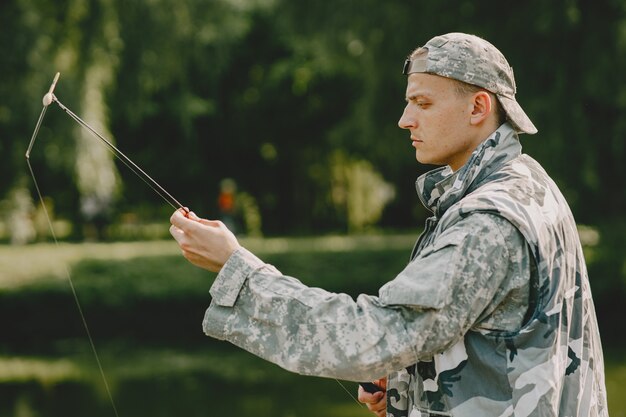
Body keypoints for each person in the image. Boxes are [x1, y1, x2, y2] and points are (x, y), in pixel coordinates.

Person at [169, 32, 608, 417]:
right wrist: (407, 380)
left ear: (478, 107)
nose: (405, 120)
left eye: (423, 103)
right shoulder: (530, 182)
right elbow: (499, 338)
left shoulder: (490, 221)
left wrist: (238, 271)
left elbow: (374, 338)